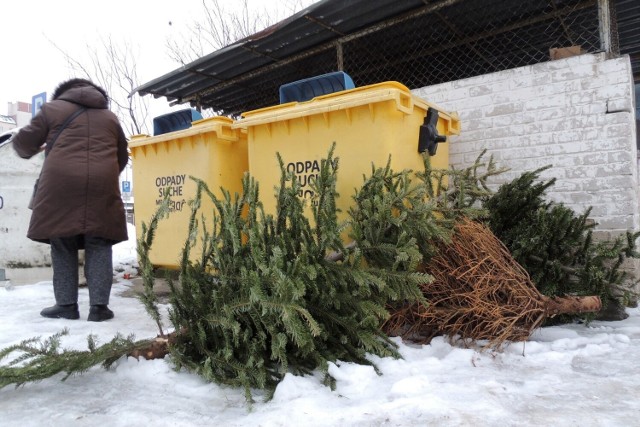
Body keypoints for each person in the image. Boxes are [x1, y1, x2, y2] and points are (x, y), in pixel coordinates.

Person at [11, 78, 129, 322]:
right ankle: (99, 308)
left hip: (60, 183)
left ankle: (66, 305)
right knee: (99, 241)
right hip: (101, 183)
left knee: (62, 240)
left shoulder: (52, 109)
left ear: (64, 93)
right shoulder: (110, 118)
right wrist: (102, 173)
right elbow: (122, 156)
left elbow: (24, 144)